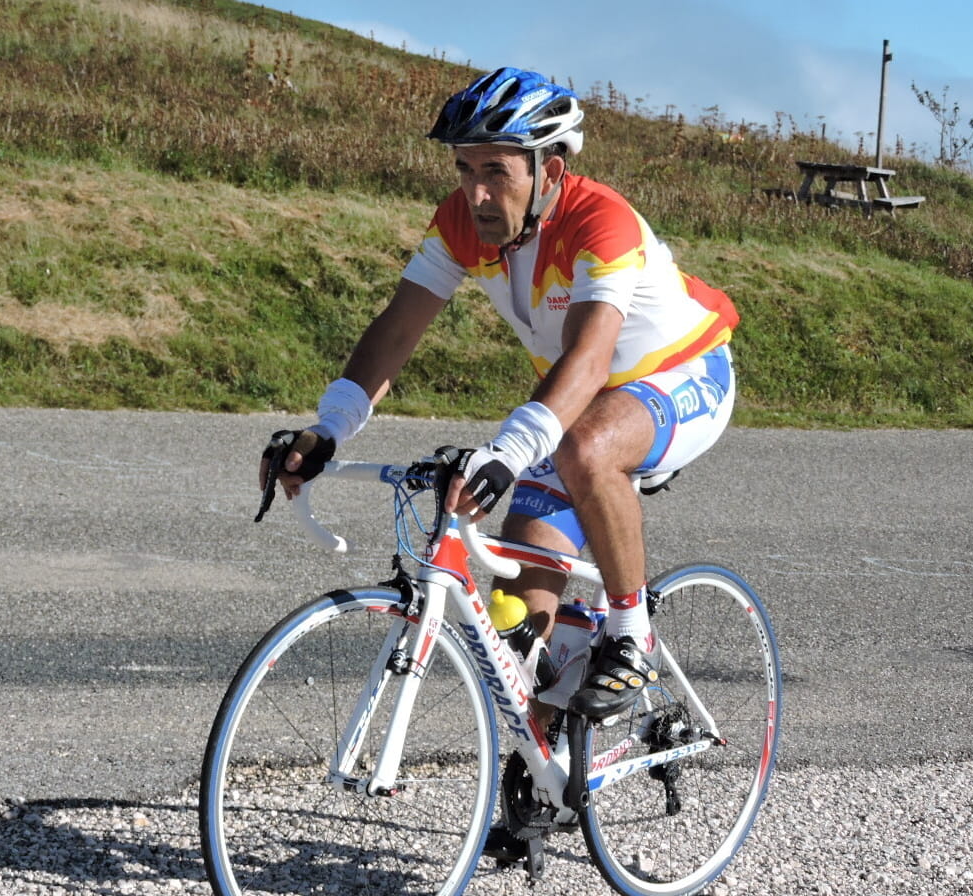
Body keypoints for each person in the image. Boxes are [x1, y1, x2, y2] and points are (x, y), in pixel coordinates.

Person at [259, 62, 738, 805]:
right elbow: (396, 331)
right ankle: (544, 776)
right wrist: (328, 430)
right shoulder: (462, 223)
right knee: (523, 603)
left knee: (585, 449)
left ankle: (630, 634)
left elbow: (586, 359)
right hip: (584, 399)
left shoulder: (598, 221)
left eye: (496, 171)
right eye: (463, 169)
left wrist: (511, 451)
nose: (477, 192)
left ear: (549, 167)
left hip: (682, 375)